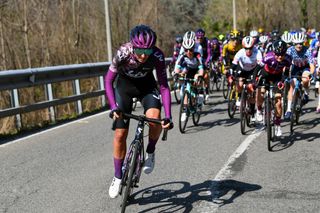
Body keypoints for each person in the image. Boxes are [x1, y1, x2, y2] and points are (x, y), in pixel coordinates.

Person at [105, 25, 173, 199]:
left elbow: (164, 87)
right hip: (124, 88)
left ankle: (150, 151)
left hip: (147, 87)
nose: (143, 55)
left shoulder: (157, 56)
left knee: (154, 119)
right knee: (120, 134)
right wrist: (114, 107)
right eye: (140, 50)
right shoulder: (123, 53)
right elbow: (108, 81)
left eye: (147, 50)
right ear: (133, 46)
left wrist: (168, 116)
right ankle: (117, 176)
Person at [256, 40, 292, 136]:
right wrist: (254, 79)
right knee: (261, 91)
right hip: (266, 75)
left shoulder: (288, 59)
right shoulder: (268, 56)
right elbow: (258, 67)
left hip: (277, 77)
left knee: (278, 101)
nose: (280, 57)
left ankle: (277, 125)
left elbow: (286, 72)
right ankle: (259, 110)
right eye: (277, 54)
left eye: (282, 54)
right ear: (274, 52)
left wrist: (283, 80)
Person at [174, 32, 204, 121]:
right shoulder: (182, 56)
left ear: (193, 49)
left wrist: (199, 75)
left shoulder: (197, 55)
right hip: (188, 69)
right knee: (184, 87)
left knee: (196, 79)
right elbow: (177, 67)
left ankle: (199, 96)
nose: (188, 52)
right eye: (186, 50)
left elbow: (201, 68)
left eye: (190, 50)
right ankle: (185, 109)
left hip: (196, 70)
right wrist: (176, 74)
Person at [285, 32, 315, 119]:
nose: (299, 45)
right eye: (297, 44)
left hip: (305, 68)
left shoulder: (307, 51)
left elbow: (312, 65)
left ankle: (306, 93)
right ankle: (289, 110)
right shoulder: (290, 50)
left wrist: (310, 74)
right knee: (292, 85)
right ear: (293, 44)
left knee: (305, 80)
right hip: (295, 68)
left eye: (301, 43)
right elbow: (285, 63)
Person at [231, 36, 263, 117]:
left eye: (250, 48)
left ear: (253, 47)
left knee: (251, 88)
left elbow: (261, 64)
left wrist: (256, 76)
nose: (248, 50)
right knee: (239, 82)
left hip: (253, 71)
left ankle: (252, 111)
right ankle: (239, 98)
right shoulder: (240, 52)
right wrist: (231, 74)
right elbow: (234, 64)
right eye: (246, 48)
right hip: (242, 69)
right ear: (243, 47)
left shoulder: (257, 52)